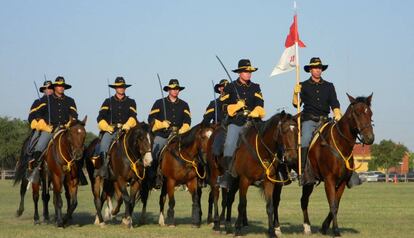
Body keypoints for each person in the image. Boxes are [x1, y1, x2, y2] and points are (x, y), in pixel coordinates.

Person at [293, 57, 360, 187]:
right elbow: (296, 104)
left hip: (325, 120)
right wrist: (296, 94)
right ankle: (304, 173)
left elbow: (334, 102)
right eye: (315, 68)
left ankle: (351, 172)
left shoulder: (329, 86)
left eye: (319, 68)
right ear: (310, 70)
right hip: (309, 121)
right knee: (306, 139)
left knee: (344, 139)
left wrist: (337, 113)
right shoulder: (303, 85)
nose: (317, 70)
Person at [218, 59, 265, 188]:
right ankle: (227, 175)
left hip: (253, 122)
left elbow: (260, 103)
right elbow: (222, 105)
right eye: (245, 71)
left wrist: (256, 111)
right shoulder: (230, 87)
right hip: (236, 121)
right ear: (239, 73)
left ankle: (273, 171)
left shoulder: (256, 87)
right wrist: (235, 106)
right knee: (229, 143)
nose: (248, 73)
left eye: (250, 71)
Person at [27, 76, 78, 183]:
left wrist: (69, 123)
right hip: (50, 129)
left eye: (62, 86)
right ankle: (35, 170)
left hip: (65, 129)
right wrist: (44, 125)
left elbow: (74, 115)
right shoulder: (46, 99)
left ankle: (79, 173)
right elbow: (38, 114)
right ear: (55, 87)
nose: (61, 87)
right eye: (58, 86)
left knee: (78, 145)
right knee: (40, 145)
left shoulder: (70, 100)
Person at [148, 79, 191, 187]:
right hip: (162, 134)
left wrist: (182, 130)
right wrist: (162, 124)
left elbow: (187, 121)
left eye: (177, 89)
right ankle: (153, 176)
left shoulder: (184, 104)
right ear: (168, 90)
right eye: (173, 89)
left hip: (178, 135)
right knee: (154, 150)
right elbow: (150, 119)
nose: (175, 91)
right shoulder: (159, 103)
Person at [96, 77, 138, 179]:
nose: (121, 88)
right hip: (111, 130)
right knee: (104, 143)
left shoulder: (131, 101)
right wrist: (106, 127)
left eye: (123, 87)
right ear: (115, 88)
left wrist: (127, 125)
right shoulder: (108, 101)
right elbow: (100, 117)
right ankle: (104, 168)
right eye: (119, 87)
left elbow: (133, 116)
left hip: (126, 129)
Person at [27, 80, 53, 152]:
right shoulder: (37, 102)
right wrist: (37, 123)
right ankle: (31, 156)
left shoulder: (57, 101)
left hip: (56, 127)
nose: (49, 90)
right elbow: (31, 116)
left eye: (50, 88)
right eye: (46, 88)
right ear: (44, 90)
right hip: (42, 128)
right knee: (33, 143)